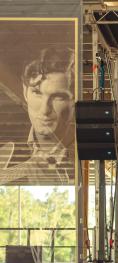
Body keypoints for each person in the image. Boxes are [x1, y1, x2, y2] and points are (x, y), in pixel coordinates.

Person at [5, 48, 75, 184]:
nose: (44, 110)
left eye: (58, 97)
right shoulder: (8, 149)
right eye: (37, 93)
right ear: (25, 92)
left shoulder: (85, 157)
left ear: (74, 101)